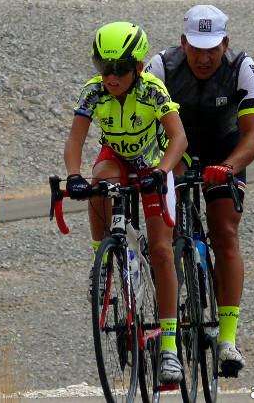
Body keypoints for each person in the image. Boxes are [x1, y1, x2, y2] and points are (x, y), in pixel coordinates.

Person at [64, 21, 188, 384]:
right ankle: (100, 260)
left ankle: (169, 347)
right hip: (116, 159)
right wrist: (73, 176)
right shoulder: (93, 93)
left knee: (162, 253)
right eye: (103, 68)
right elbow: (75, 140)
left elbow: (179, 137)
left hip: (153, 161)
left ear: (137, 67)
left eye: (119, 69)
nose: (111, 77)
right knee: (98, 179)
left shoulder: (152, 90)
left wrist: (163, 170)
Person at [144, 5, 254, 376]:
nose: (204, 56)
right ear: (183, 42)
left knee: (225, 233)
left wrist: (229, 166)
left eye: (212, 48)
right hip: (172, 150)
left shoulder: (242, 67)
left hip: (223, 153)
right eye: (196, 47)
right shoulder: (161, 66)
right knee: (162, 236)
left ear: (225, 43)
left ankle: (227, 339)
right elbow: (144, 126)